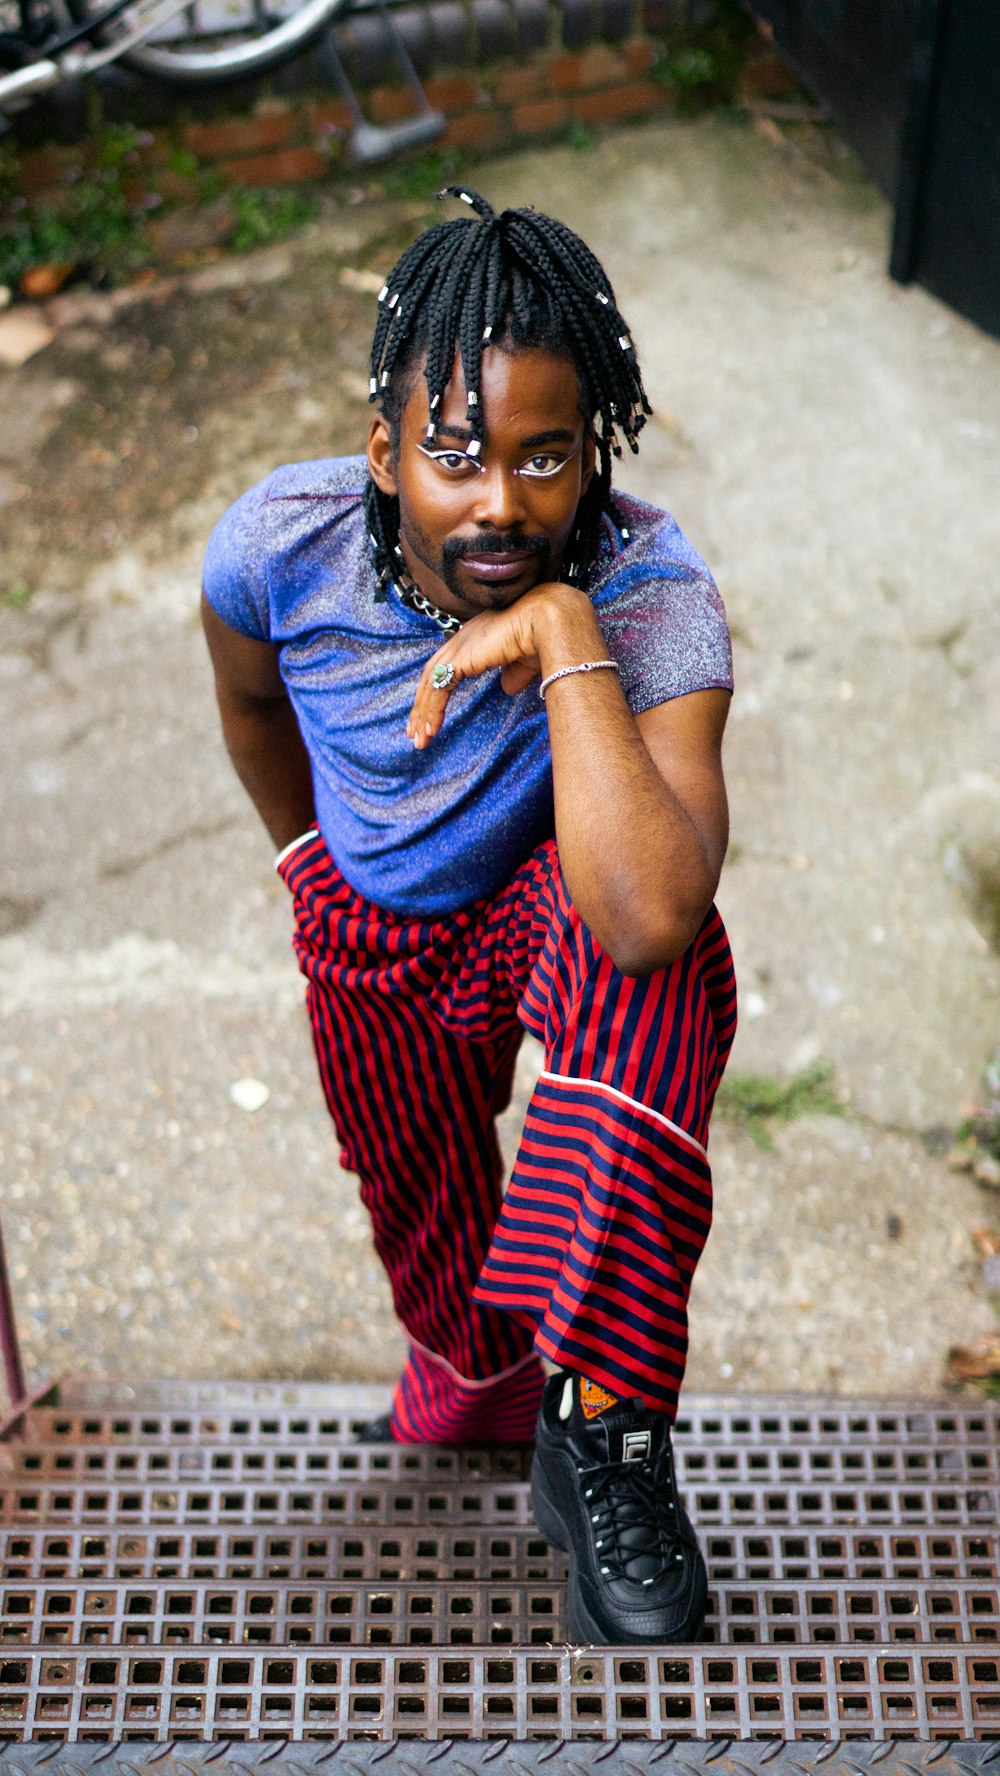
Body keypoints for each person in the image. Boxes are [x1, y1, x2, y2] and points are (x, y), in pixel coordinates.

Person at [201, 187, 736, 1646]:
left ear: (593, 457)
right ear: (384, 452)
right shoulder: (280, 546)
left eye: (542, 457)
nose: (498, 501)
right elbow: (249, 698)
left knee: (671, 965)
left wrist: (566, 637)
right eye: (454, 454)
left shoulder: (651, 593)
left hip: (535, 916)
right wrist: (307, 855)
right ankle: (500, 1377)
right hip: (368, 925)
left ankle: (607, 1428)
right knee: (444, 1289)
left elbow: (649, 912)